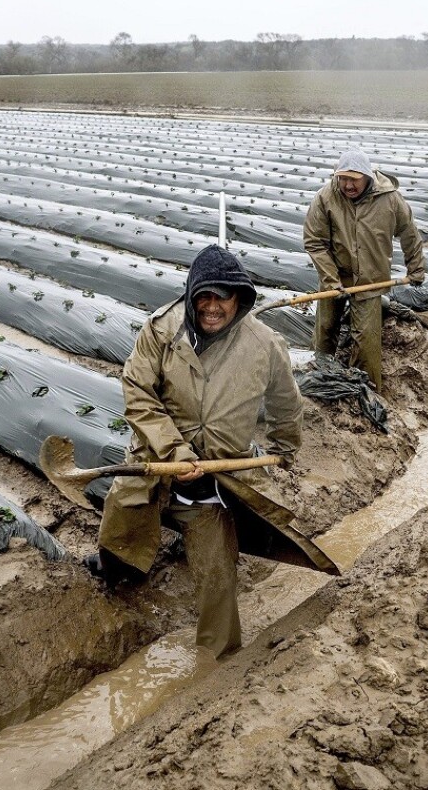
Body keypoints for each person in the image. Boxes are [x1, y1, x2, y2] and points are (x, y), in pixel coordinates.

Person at [85, 244, 336, 659]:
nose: (212, 306)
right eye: (204, 296)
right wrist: (173, 450)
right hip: (157, 457)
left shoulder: (264, 344)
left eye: (223, 296)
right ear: (191, 296)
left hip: (216, 478)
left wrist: (284, 446)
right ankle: (117, 570)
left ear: (239, 298)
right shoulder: (162, 331)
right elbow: (138, 390)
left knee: (217, 579)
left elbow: (285, 402)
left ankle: (218, 667)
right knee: (122, 522)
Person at [302, 148, 427, 392]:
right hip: (335, 275)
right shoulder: (326, 197)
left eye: (354, 179)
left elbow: (409, 233)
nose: (348, 185)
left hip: (370, 280)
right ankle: (319, 383)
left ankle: (365, 393)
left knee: (366, 341)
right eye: (343, 178)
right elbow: (314, 241)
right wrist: (331, 279)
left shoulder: (390, 199)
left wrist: (416, 267)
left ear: (367, 176)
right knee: (325, 330)